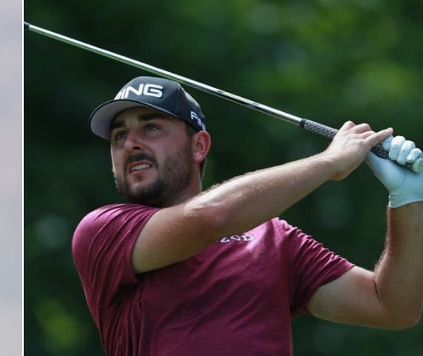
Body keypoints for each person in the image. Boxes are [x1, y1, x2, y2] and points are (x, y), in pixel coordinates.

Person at [71, 76, 423, 355]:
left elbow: (391, 306)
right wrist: (329, 162)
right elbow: (211, 216)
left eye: (150, 127)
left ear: (199, 146)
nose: (130, 143)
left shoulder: (273, 238)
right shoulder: (103, 230)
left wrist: (409, 199)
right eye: (119, 136)